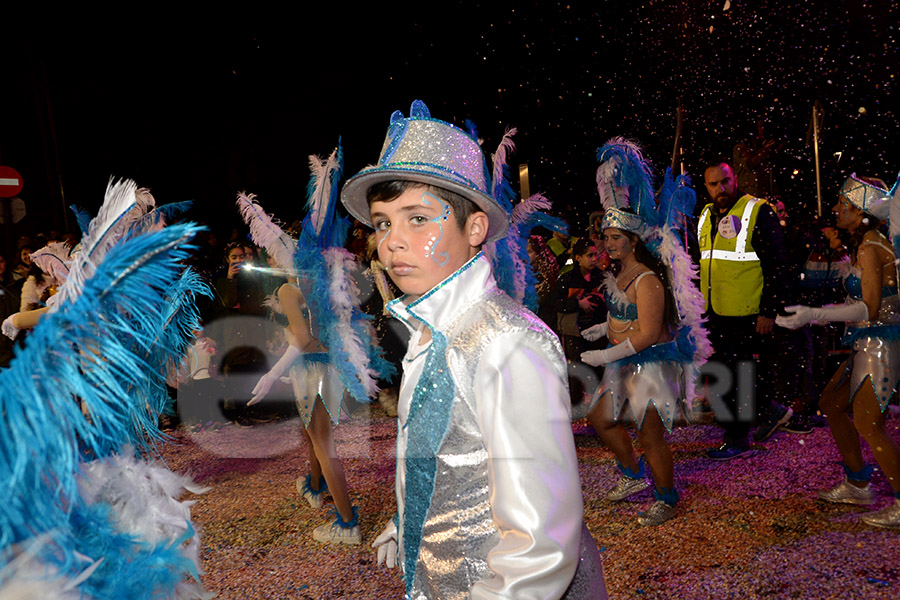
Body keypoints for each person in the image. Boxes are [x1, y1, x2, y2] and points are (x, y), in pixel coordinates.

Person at [341, 100, 606, 599]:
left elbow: (540, 547)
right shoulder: (428, 331)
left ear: (476, 229)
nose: (391, 243)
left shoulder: (506, 343)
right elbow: (452, 458)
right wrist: (411, 522)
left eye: (418, 219)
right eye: (381, 223)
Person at [238, 150, 391, 545]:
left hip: (311, 370)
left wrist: (271, 374)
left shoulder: (290, 289)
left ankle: (346, 524)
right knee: (315, 434)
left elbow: (303, 340)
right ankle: (314, 485)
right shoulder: (328, 285)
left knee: (324, 443)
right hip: (333, 366)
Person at [581, 139, 710, 526]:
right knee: (599, 420)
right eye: (605, 237)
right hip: (624, 362)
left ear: (633, 240)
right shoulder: (622, 274)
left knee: (651, 436)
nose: (608, 243)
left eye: (615, 237)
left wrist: (605, 355)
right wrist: (604, 328)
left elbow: (651, 332)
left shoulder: (649, 279)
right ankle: (633, 475)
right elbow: (630, 318)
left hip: (648, 366)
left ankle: (666, 497)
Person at [777, 173, 900, 529]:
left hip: (880, 342)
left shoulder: (871, 245)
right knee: (831, 404)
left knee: (868, 423)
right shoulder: (869, 242)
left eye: (842, 205)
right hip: (866, 341)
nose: (834, 209)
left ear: (860, 212)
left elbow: (871, 308)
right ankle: (858, 482)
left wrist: (815, 315)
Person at [699, 158, 798, 460]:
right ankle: (767, 412)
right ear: (707, 187)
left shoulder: (757, 210)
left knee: (740, 375)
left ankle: (738, 438)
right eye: (714, 184)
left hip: (746, 313)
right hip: (714, 311)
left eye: (725, 181)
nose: (721, 188)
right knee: (723, 374)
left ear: (735, 180)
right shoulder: (705, 215)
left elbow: (777, 264)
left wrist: (768, 310)